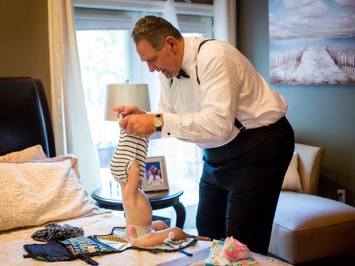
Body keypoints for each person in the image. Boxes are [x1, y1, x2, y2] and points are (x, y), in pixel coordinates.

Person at [114, 15, 295, 255]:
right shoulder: (166, 71)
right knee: (207, 226)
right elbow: (166, 117)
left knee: (241, 242)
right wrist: (143, 118)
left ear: (171, 44)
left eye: (152, 59)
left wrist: (156, 121)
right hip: (217, 151)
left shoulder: (215, 57)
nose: (151, 68)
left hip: (260, 144)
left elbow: (219, 124)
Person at [110, 126, 210, 247]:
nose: (141, 179)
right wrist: (132, 157)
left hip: (144, 229)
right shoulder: (127, 190)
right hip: (140, 238)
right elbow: (135, 169)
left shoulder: (132, 189)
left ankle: (168, 238)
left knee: (161, 224)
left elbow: (135, 171)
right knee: (177, 231)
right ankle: (193, 237)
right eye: (139, 177)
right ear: (127, 175)